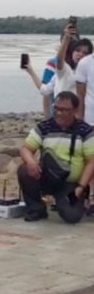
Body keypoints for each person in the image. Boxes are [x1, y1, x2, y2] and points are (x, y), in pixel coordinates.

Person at [17, 92, 94, 223]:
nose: (59, 113)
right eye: (56, 108)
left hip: (70, 183)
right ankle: (36, 209)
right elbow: (25, 149)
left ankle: (63, 202)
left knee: (72, 217)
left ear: (74, 110)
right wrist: (30, 161)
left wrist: (81, 186)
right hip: (47, 176)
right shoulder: (44, 127)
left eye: (64, 110)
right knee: (24, 170)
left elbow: (91, 161)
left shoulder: (85, 131)